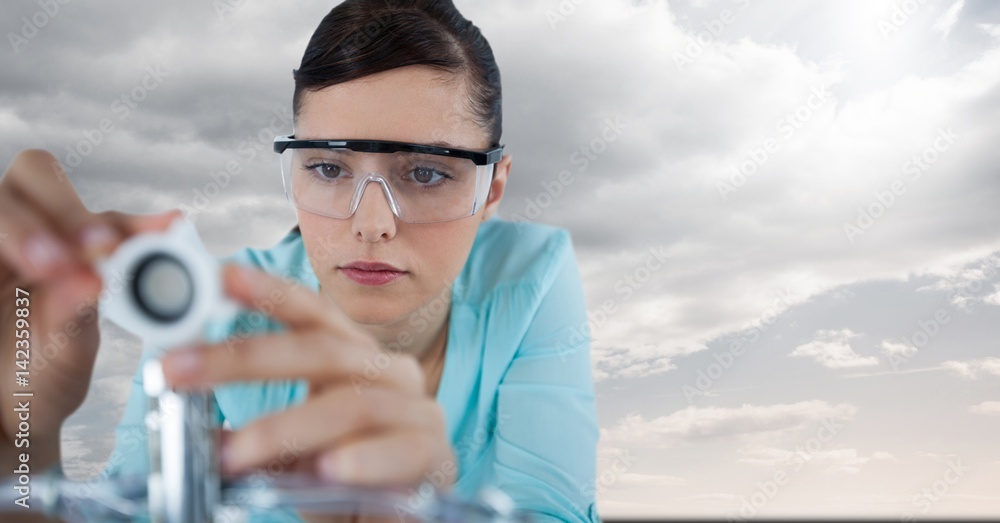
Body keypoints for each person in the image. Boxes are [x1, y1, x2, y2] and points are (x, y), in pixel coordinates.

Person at [0, 1, 600, 522]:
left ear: (492, 188)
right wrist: (22, 448)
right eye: (329, 169)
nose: (372, 224)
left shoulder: (531, 273)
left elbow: (552, 510)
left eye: (425, 173)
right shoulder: (209, 306)